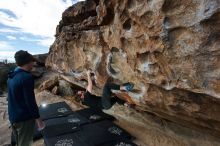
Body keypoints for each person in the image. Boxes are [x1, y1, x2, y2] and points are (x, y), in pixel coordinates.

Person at [7, 50, 45, 146]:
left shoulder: (11, 75)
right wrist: (39, 121)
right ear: (28, 62)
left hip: (13, 117)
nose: (33, 63)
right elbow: (30, 102)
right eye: (32, 61)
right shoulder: (26, 77)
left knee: (19, 142)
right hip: (24, 119)